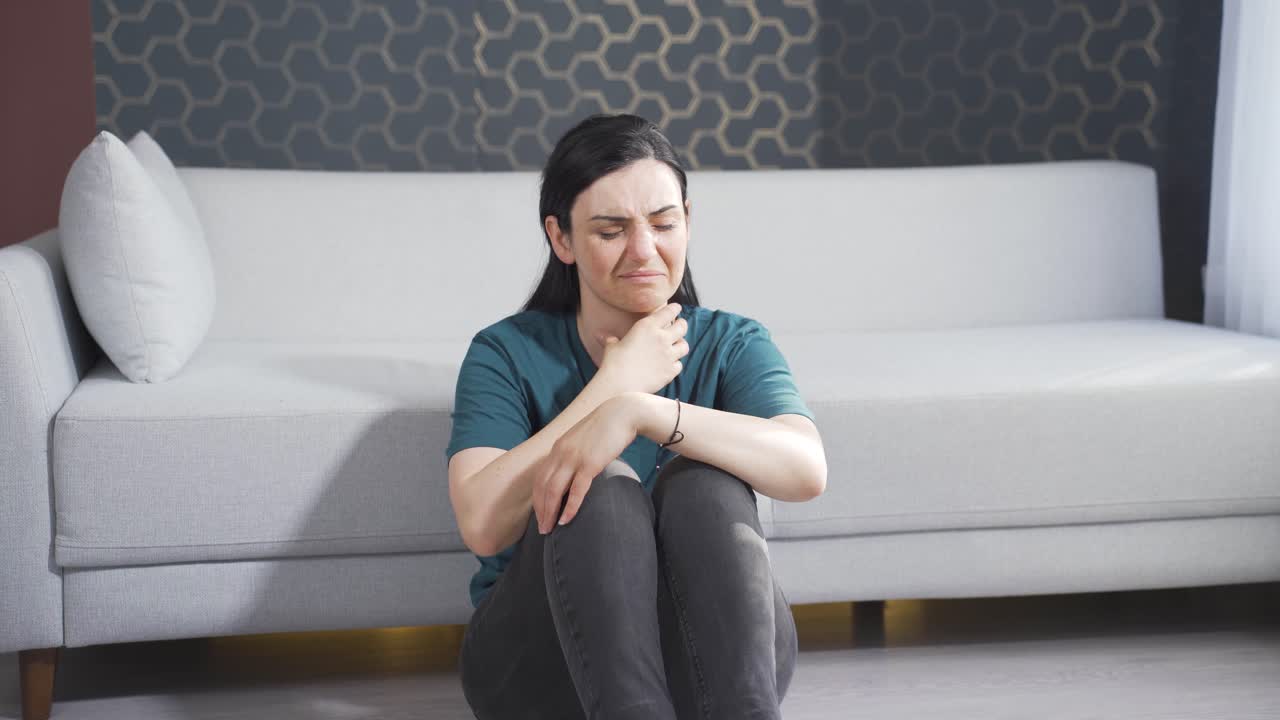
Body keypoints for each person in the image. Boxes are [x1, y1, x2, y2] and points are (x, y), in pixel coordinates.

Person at [445, 113, 828, 719]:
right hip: (539, 667)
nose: (644, 250)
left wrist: (642, 412)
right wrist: (611, 386)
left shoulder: (732, 342)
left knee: (704, 482)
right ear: (561, 238)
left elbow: (806, 468)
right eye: (610, 231)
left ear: (688, 221)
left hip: (717, 669)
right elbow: (483, 524)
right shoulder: (505, 353)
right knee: (601, 486)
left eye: (663, 223)